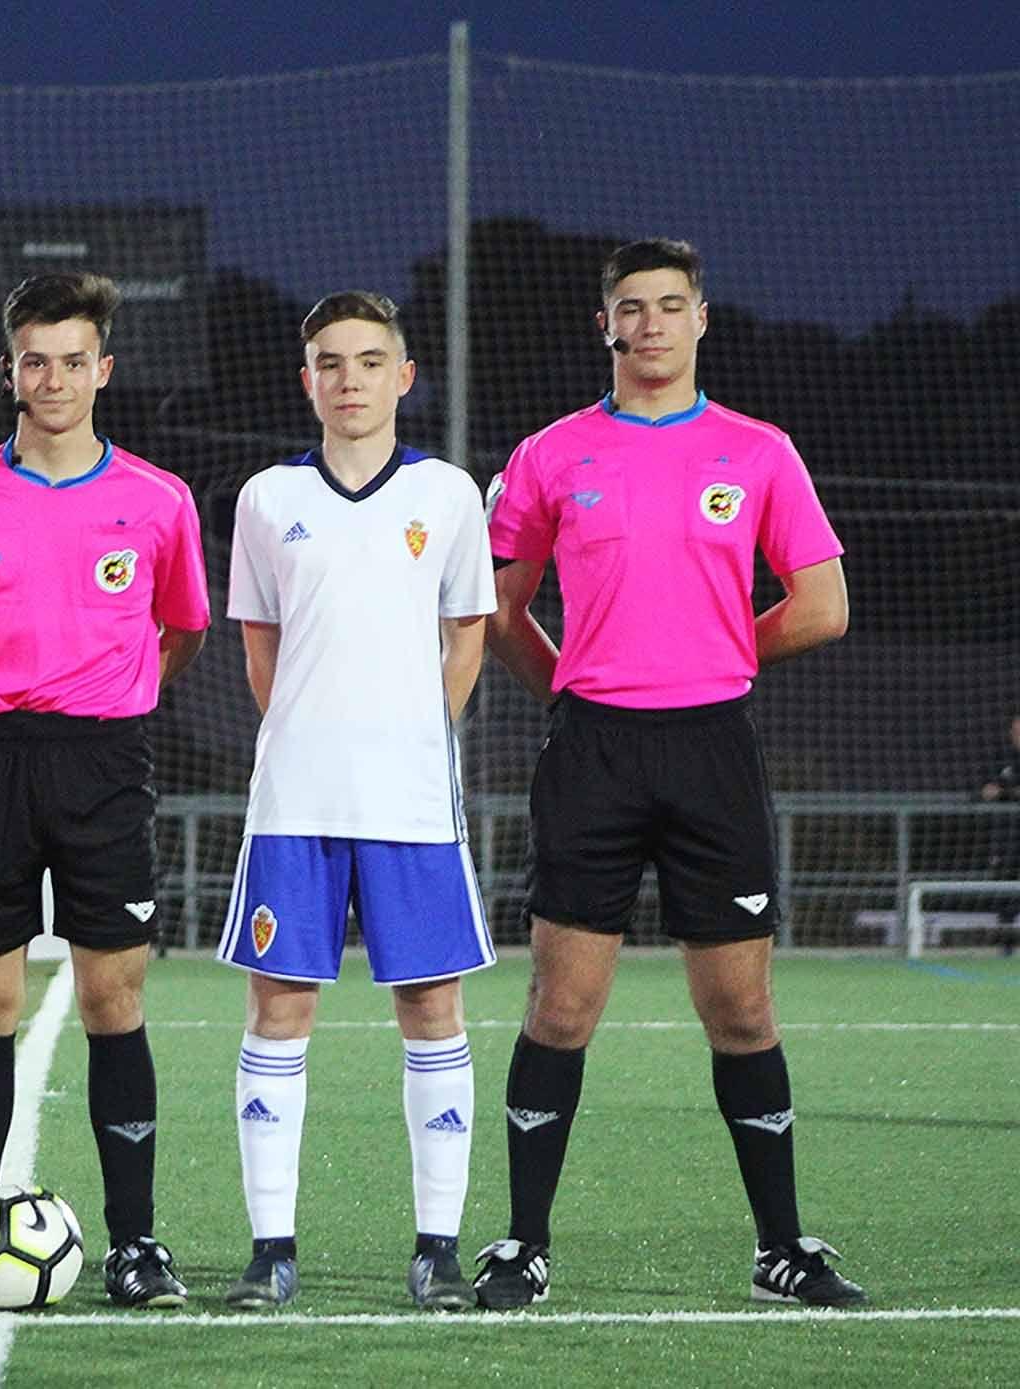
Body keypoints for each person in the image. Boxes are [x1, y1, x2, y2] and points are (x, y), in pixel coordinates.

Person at [477, 238, 865, 1309]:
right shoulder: (553, 455)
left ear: (702, 318)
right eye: (630, 309)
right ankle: (522, 1246)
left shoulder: (760, 452)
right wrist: (574, 684)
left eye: (669, 306)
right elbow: (500, 614)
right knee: (562, 1008)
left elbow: (824, 605)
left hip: (712, 751)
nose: (649, 324)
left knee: (742, 1013)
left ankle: (782, 1248)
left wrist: (723, 650)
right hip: (592, 750)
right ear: (606, 324)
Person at [0, 272, 210, 1310]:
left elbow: (182, 630)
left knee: (114, 999)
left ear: (104, 369)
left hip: (103, 766)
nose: (56, 377)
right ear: (9, 371)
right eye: (37, 359)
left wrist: (105, 701)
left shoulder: (158, 500)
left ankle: (136, 1245)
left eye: (75, 359)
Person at [216, 292, 498, 1312]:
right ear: (308, 381)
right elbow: (260, 644)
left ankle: (437, 1250)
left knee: (431, 1008)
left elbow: (468, 630)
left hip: (413, 803)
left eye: (369, 362)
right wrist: (312, 728)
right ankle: (270, 1251)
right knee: (279, 1006)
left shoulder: (453, 495)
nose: (349, 380)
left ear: (404, 376)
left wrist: (419, 730)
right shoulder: (261, 498)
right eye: (330, 363)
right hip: (295, 798)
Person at [978, 714, 1020, 944]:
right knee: (1003, 883)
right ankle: (1006, 940)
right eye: (1016, 732)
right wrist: (990, 790)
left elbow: (1003, 791)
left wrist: (1004, 792)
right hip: (1006, 836)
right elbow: (984, 790)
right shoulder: (1000, 759)